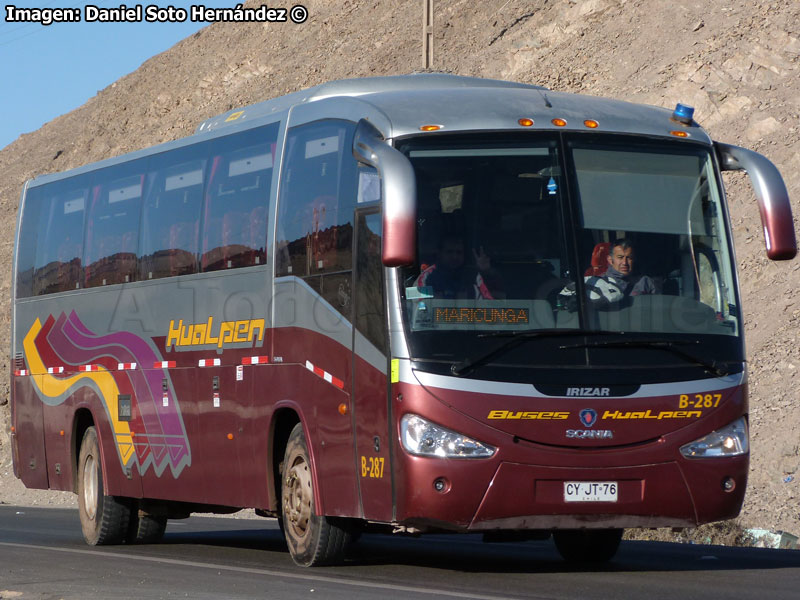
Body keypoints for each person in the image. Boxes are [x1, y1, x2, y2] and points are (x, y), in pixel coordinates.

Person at [559, 238, 655, 309]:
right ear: (610, 259)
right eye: (620, 257)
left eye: (629, 258)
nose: (624, 263)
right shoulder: (593, 283)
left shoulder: (645, 282)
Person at [415, 234, 503, 299]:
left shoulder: (474, 276)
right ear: (440, 254)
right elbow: (419, 305)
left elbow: (492, 303)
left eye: (459, 252)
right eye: (450, 252)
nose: (454, 257)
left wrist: (487, 273)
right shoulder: (425, 277)